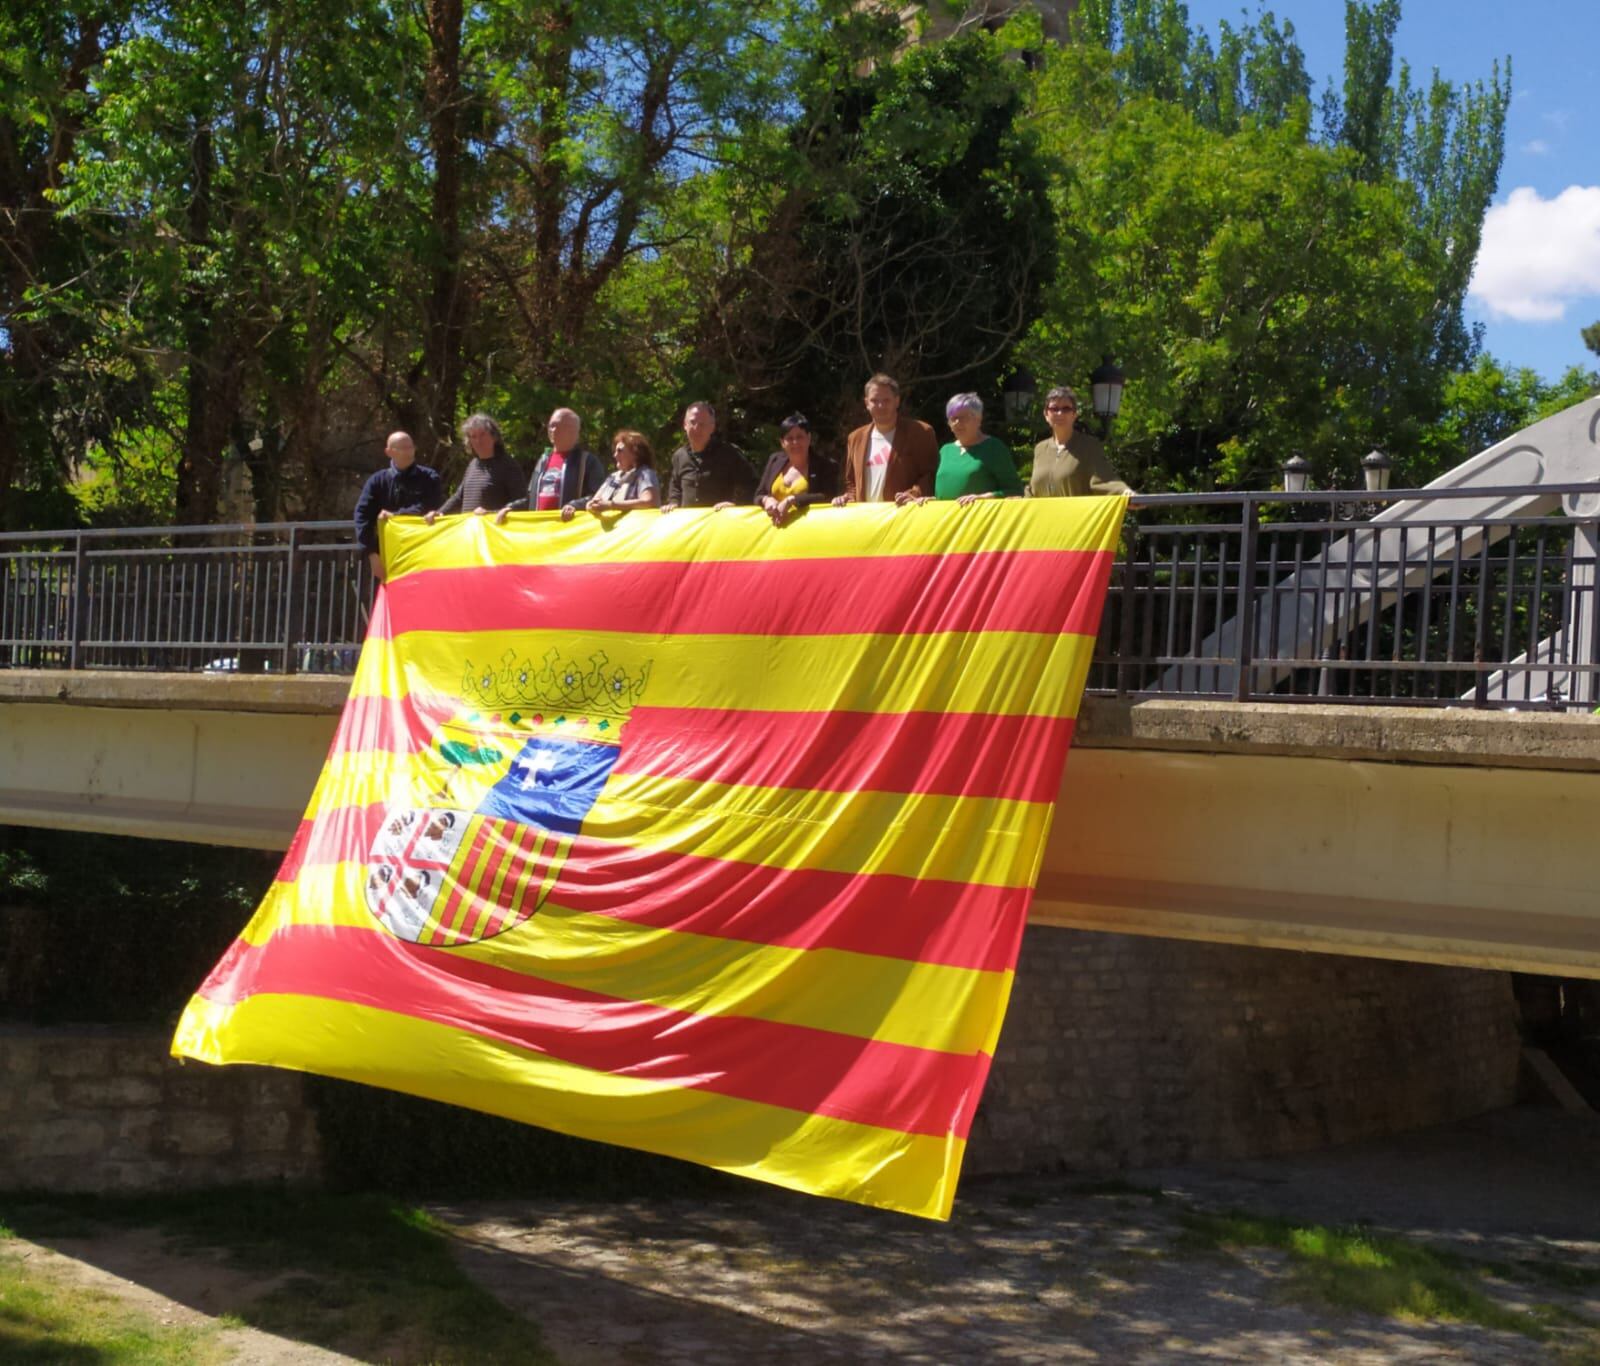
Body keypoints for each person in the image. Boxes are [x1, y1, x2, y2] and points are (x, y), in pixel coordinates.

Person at [834, 373, 939, 507]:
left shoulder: (921, 432)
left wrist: (914, 493)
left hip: (904, 516)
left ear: (897, 401)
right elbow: (851, 482)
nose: (880, 406)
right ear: (866, 403)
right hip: (866, 520)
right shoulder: (855, 438)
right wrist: (847, 498)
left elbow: (930, 474)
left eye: (886, 400)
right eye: (875, 400)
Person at [353, 430, 444, 582]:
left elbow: (428, 507)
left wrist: (396, 517)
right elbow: (362, 516)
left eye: (411, 447)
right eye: (403, 448)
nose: (409, 452)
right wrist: (372, 554)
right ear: (389, 452)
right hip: (386, 557)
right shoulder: (377, 481)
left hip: (421, 554)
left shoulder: (429, 477)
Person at [498, 408, 606, 519]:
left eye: (556, 425)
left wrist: (574, 505)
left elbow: (598, 496)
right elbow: (531, 498)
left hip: (568, 531)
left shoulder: (587, 461)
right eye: (550, 426)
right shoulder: (543, 460)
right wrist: (511, 508)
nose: (551, 430)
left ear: (572, 430)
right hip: (540, 531)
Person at [1029, 385, 1132, 497]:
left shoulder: (1089, 446)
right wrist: (1014, 502)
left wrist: (1124, 493)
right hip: (1045, 514)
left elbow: (1106, 479)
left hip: (1076, 514)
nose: (1060, 413)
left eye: (1066, 409)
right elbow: (1033, 491)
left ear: (1074, 414)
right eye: (1054, 409)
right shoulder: (1040, 449)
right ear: (1046, 414)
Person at [426, 413, 527, 521]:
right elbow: (459, 497)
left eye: (482, 435)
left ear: (494, 436)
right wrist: (440, 512)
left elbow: (522, 502)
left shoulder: (508, 465)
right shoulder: (473, 465)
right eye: (473, 436)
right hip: (469, 533)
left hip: (493, 533)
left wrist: (492, 513)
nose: (478, 441)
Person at [662, 401, 755, 510]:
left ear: (712, 427)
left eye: (702, 424)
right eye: (692, 422)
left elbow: (752, 484)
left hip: (719, 523)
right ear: (685, 425)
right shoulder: (679, 456)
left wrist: (735, 504)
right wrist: (673, 503)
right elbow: (675, 488)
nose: (696, 428)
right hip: (689, 524)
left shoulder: (728, 454)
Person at [933, 393, 1024, 503]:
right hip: (948, 519)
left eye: (963, 418)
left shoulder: (994, 448)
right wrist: (932, 501)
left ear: (978, 419)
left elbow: (1016, 492)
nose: (957, 423)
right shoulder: (945, 451)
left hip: (981, 518)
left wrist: (986, 497)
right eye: (953, 418)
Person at [757, 414, 835, 524]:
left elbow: (827, 496)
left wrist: (792, 500)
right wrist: (766, 500)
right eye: (789, 438)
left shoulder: (825, 465)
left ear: (809, 438)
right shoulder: (774, 460)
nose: (795, 442)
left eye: (800, 437)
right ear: (782, 442)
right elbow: (758, 495)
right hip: (773, 533)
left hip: (808, 530)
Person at [569, 430, 661, 520]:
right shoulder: (613, 477)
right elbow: (595, 500)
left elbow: (650, 502)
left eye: (620, 451)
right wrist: (589, 505)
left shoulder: (645, 474)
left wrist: (611, 505)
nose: (615, 455)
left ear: (635, 453)